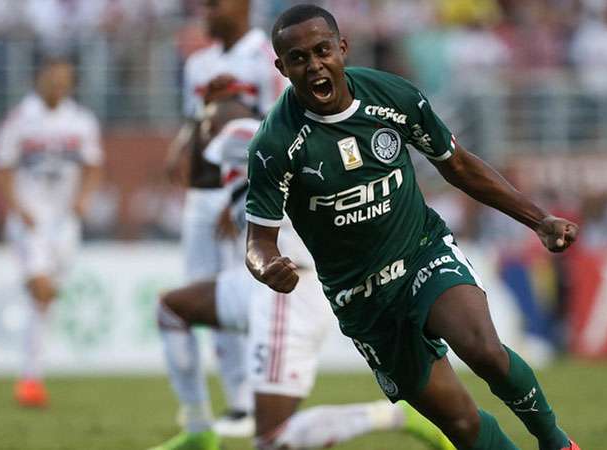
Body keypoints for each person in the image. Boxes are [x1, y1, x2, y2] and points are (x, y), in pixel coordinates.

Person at [244, 5, 581, 450]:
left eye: (322, 50)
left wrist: (538, 219)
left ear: (342, 48)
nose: (314, 65)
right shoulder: (275, 144)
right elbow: (258, 242)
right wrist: (268, 267)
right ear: (281, 67)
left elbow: (457, 165)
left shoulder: (393, 97)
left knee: (484, 351)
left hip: (422, 251)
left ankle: (557, 442)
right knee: (460, 423)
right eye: (299, 58)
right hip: (363, 300)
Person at [150, 98, 454, 450]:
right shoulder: (248, 153)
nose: (200, 134)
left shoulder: (241, 132)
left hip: (288, 290)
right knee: (172, 309)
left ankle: (398, 415)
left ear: (220, 124)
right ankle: (200, 429)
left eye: (204, 125)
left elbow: (194, 167)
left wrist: (207, 124)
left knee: (271, 440)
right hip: (260, 284)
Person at [162, 0, 288, 436]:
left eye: (216, 3)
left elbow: (277, 125)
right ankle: (212, 406)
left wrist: (243, 193)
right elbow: (198, 121)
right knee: (201, 294)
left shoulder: (265, 59)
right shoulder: (198, 63)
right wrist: (180, 148)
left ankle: (244, 397)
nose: (208, 11)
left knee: (241, 291)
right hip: (200, 193)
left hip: (237, 193)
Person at [0, 59, 103, 407]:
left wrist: (84, 199)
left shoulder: (81, 121)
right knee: (40, 290)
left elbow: (93, 164)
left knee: (45, 299)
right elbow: (2, 166)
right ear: (39, 78)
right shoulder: (20, 119)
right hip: (31, 220)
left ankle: (31, 376)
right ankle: (29, 380)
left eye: (65, 80)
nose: (58, 85)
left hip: (65, 222)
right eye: (53, 78)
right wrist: (16, 206)